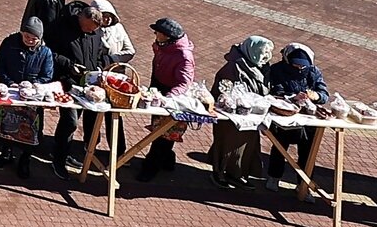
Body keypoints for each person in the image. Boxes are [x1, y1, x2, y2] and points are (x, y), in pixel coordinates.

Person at [121, 17, 197, 184]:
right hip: (159, 87)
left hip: (171, 96)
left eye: (158, 31)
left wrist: (167, 98)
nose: (155, 33)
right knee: (160, 129)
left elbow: (184, 82)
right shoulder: (162, 45)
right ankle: (167, 160)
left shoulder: (184, 55)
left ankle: (150, 167)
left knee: (163, 133)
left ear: (167, 36)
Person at [50, 2, 114, 175]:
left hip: (90, 84)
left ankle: (71, 153)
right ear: (81, 18)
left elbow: (100, 53)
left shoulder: (96, 32)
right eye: (86, 28)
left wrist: (100, 67)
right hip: (68, 81)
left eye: (92, 30)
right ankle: (58, 160)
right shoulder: (61, 27)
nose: (89, 32)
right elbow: (50, 53)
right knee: (70, 121)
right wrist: (69, 65)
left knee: (91, 122)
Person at [258, 41, 327, 193]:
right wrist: (293, 98)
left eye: (303, 65)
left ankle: (304, 184)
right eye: (296, 64)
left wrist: (315, 95)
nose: (300, 68)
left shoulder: (313, 71)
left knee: (308, 152)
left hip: (308, 119)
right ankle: (274, 177)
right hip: (285, 117)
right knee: (280, 147)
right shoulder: (277, 70)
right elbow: (276, 92)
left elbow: (324, 95)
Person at [209, 35, 274, 189]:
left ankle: (238, 175)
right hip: (231, 118)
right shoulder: (233, 67)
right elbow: (222, 91)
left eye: (268, 53)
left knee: (247, 147)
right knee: (227, 146)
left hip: (251, 117)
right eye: (262, 52)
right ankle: (219, 173)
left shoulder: (262, 67)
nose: (266, 56)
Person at [0, 18, 55, 179]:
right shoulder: (9, 43)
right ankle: (5, 154)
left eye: (33, 38)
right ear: (21, 33)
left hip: (31, 98)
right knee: (5, 124)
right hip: (11, 93)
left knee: (30, 129)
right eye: (26, 36)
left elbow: (47, 75)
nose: (29, 40)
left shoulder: (45, 52)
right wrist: (9, 82)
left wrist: (33, 85)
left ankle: (25, 160)